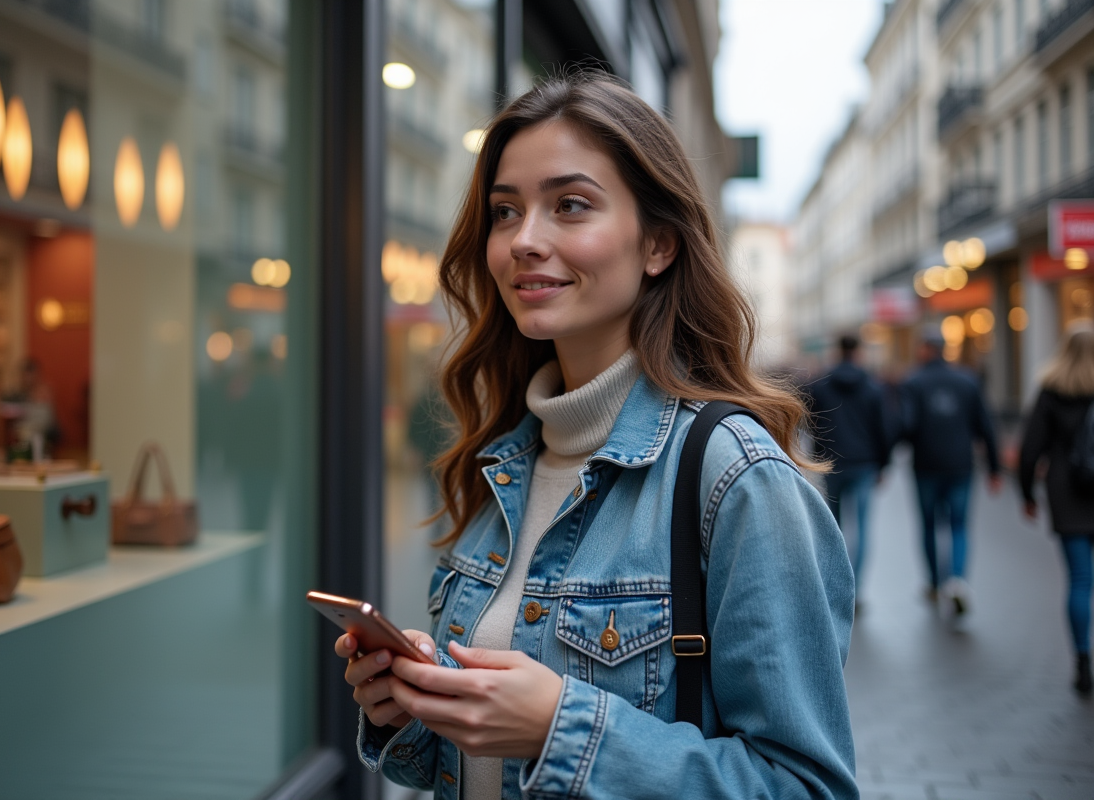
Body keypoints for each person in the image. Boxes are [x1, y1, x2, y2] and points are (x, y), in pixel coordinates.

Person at [334, 74, 857, 800]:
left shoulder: (736, 479)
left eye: (570, 205)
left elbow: (806, 785)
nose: (524, 240)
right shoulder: (504, 459)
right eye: (505, 211)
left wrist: (560, 728)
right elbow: (481, 764)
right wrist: (416, 709)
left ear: (659, 245)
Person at [900, 331, 1002, 615]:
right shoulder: (967, 380)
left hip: (926, 466)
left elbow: (906, 425)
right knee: (959, 525)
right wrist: (995, 468)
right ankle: (957, 580)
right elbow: (986, 425)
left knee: (929, 525)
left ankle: (934, 582)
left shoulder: (913, 382)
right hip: (961, 465)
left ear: (925, 349)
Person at [1017, 321, 1094, 695]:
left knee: (1080, 579)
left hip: (1067, 492)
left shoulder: (1053, 388)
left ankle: (1082, 661)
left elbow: (1031, 448)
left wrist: (1027, 494)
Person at [807, 333, 890, 605]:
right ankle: (857, 587)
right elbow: (884, 428)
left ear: (837, 350)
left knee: (835, 527)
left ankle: (836, 585)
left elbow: (810, 420)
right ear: (858, 352)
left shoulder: (821, 385)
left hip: (831, 462)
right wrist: (883, 463)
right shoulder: (872, 386)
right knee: (863, 527)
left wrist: (816, 451)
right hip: (864, 463)